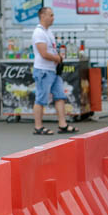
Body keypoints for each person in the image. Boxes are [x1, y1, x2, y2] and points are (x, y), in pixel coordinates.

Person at [31, 7, 77, 135]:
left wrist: (57, 58)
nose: (53, 17)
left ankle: (63, 124)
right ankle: (38, 126)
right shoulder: (38, 33)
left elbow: (50, 50)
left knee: (60, 96)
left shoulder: (48, 32)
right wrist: (57, 58)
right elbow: (43, 53)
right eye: (50, 15)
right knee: (40, 98)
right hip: (43, 69)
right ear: (43, 16)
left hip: (52, 69)